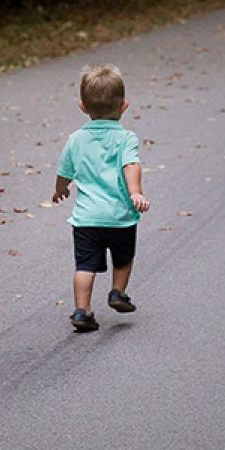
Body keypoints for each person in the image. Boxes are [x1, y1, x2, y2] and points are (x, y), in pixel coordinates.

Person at [51, 63, 150, 332]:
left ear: (82, 107)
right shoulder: (126, 137)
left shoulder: (76, 139)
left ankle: (82, 311)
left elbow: (64, 172)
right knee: (123, 257)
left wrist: (60, 189)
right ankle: (117, 292)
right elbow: (131, 165)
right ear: (124, 106)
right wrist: (135, 192)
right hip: (119, 216)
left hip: (86, 219)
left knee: (85, 265)